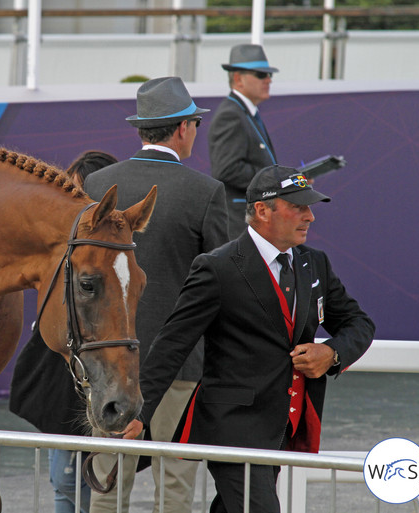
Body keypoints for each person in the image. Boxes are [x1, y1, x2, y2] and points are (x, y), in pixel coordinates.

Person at [123, 165, 375, 512]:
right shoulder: (217, 267)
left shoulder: (314, 264)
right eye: (298, 206)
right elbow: (172, 343)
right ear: (262, 210)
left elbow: (358, 323)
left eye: (310, 206)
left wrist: (331, 353)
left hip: (284, 425)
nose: (310, 216)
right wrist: (141, 412)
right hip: (232, 429)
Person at [82, 76, 229, 513]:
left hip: (109, 363)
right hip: (183, 364)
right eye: (195, 124)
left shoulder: (97, 186)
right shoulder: (205, 193)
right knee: (176, 490)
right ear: (183, 128)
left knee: (106, 486)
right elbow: (220, 286)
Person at [9, 151, 118, 513]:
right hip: (63, 376)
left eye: (76, 189)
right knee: (65, 483)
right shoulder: (60, 243)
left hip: (98, 370)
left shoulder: (110, 251)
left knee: (87, 485)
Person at [208, 43, 279, 239]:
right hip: (241, 226)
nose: (268, 80)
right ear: (238, 78)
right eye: (260, 75)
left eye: (269, 75)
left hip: (251, 223)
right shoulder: (231, 114)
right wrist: (276, 181)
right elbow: (227, 169)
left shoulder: (245, 112)